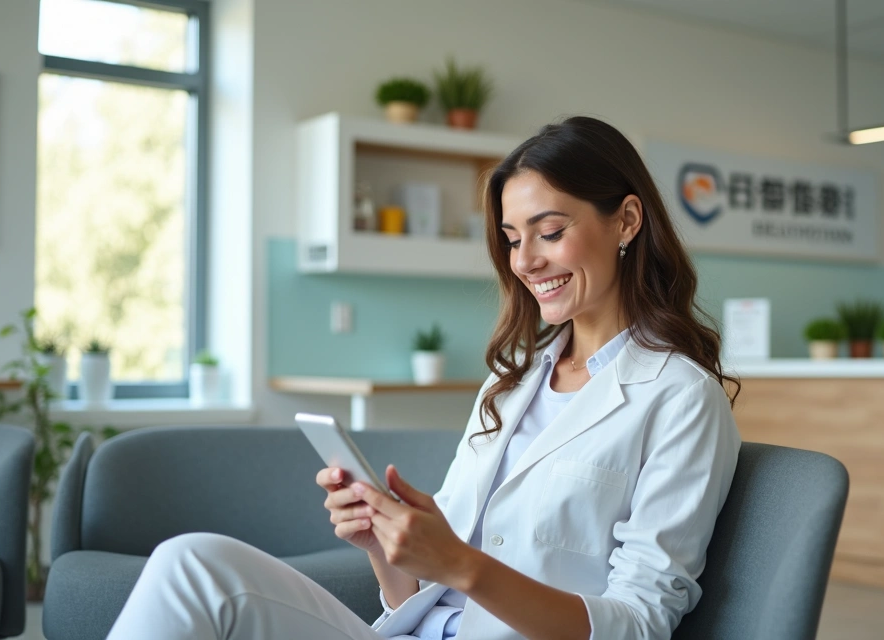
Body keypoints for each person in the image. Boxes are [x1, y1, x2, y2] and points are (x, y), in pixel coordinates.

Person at [106, 116, 741, 640]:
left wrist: (463, 565)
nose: (525, 261)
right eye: (512, 239)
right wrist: (385, 545)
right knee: (193, 563)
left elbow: (639, 624)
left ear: (626, 221)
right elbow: (419, 596)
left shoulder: (682, 398)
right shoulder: (514, 382)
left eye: (550, 232)